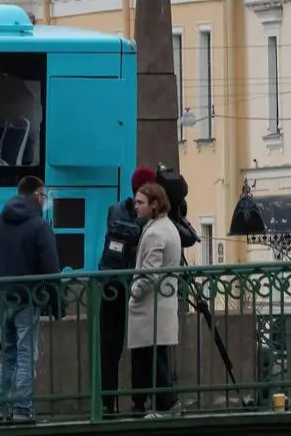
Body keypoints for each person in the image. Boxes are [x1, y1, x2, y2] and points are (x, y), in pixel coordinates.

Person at [0, 175, 61, 424]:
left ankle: (0, 408)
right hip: (27, 298)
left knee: (9, 353)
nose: (44, 201)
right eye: (44, 196)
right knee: (26, 353)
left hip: (1, 298)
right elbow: (51, 267)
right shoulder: (38, 225)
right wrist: (57, 299)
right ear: (37, 195)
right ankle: (23, 409)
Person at [93, 166, 155, 417]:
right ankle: (139, 402)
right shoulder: (149, 216)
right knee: (140, 346)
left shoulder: (114, 209)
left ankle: (107, 402)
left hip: (110, 285)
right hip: (135, 288)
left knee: (109, 347)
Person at [126, 181, 182, 418]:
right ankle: (164, 404)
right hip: (160, 303)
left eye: (140, 202)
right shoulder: (164, 226)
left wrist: (134, 292)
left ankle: (165, 406)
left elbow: (150, 274)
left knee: (154, 358)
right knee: (154, 355)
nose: (135, 206)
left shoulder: (157, 232)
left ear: (154, 204)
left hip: (152, 305)